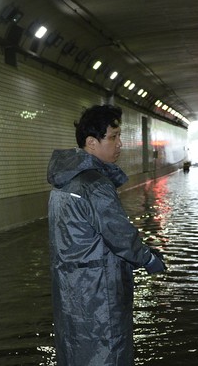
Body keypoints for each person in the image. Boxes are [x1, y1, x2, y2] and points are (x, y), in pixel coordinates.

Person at [47, 104, 166, 366]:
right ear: (91, 142)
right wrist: (147, 259)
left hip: (70, 290)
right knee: (108, 352)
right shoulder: (95, 184)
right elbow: (120, 235)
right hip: (99, 292)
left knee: (75, 350)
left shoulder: (64, 182)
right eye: (113, 137)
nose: (120, 144)